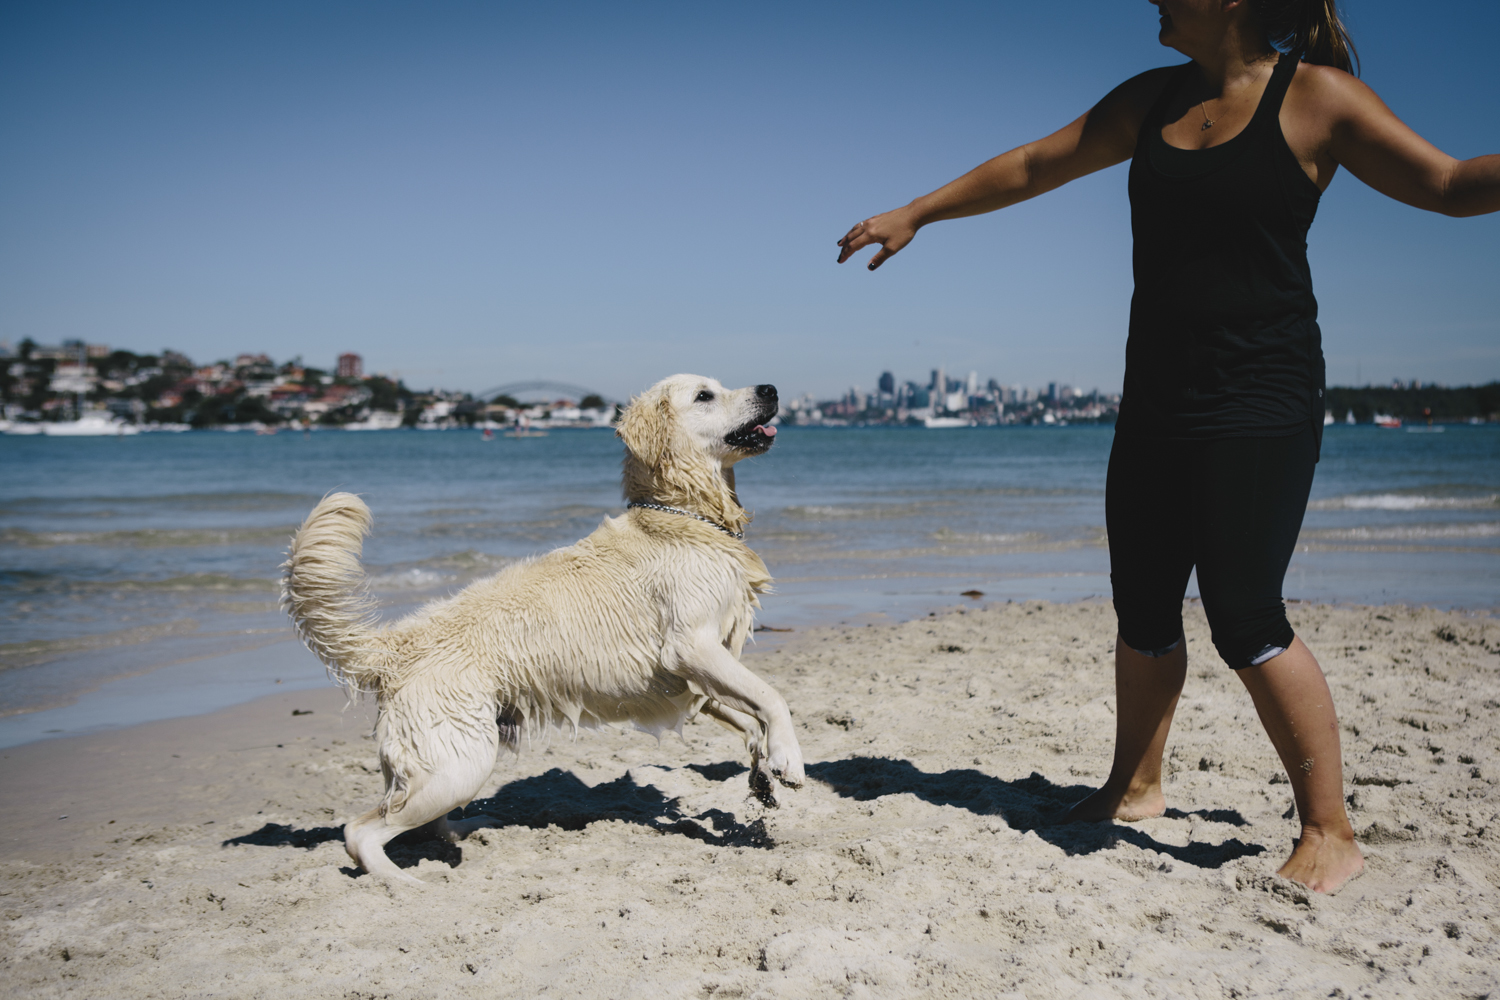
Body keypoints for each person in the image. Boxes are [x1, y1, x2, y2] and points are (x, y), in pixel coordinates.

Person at [836, 0, 1499, 894]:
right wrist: (919, 211)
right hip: (1156, 394)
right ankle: (1136, 784)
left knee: (1246, 614)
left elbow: (1452, 185)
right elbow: (1037, 163)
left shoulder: (1320, 102)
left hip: (1261, 396)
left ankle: (1330, 828)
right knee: (1143, 605)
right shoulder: (1151, 100)